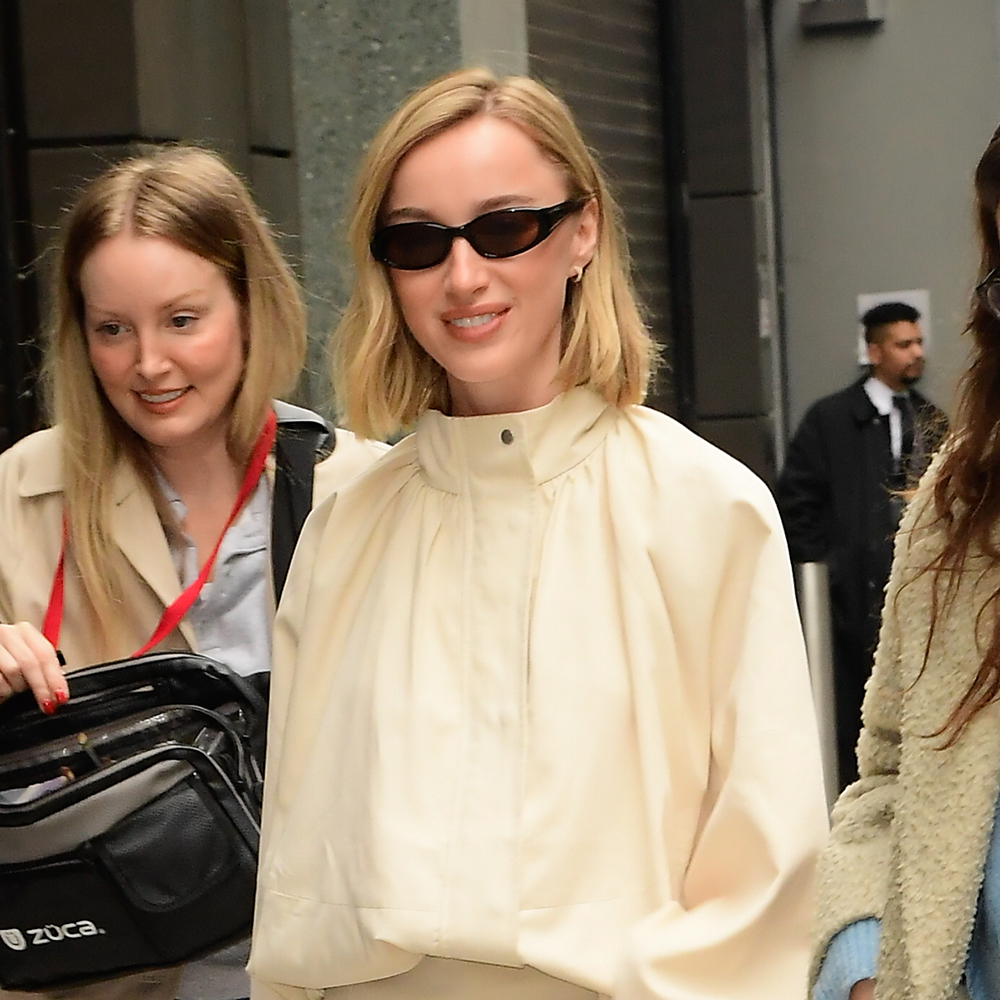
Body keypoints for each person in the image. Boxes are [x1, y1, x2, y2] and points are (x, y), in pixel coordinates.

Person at [248, 67, 828, 1000]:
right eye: (418, 241)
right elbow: (293, 876)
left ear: (582, 231)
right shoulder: (345, 527)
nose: (463, 274)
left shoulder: (705, 507)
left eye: (506, 226)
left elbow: (772, 874)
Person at [0, 145, 386, 1000]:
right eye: (113, 329)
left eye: (182, 320)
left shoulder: (359, 496)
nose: (148, 365)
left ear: (251, 307)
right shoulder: (22, 495)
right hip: (97, 973)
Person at [809, 123, 1000, 1000]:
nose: (916, 354)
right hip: (857, 608)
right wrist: (859, 967)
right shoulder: (959, 501)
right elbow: (888, 780)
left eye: (922, 342)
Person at [776, 302, 947, 787]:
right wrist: (830, 568)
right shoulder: (829, 420)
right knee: (851, 715)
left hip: (912, 602)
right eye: (903, 344)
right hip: (847, 607)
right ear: (874, 351)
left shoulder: (930, 419)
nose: (916, 353)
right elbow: (796, 501)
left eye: (918, 342)